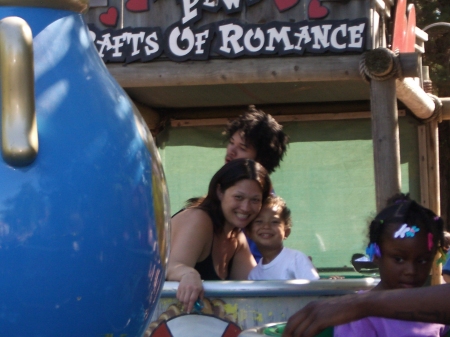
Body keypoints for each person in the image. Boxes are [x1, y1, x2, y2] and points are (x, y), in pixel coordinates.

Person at [283, 195, 450, 337]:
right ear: (376, 253)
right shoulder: (356, 317)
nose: (411, 271)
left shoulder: (435, 311)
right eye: (398, 259)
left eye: (422, 260)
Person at [166, 158, 272, 313]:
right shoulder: (198, 219)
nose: (246, 207)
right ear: (219, 191)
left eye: (255, 200)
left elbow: (254, 283)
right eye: (239, 197)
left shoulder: (237, 237)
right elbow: (168, 267)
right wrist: (188, 273)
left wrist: (288, 262)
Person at [246, 195, 319, 281]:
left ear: (286, 232)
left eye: (274, 222)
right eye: (259, 221)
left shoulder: (296, 259)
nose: (266, 226)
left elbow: (315, 289)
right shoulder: (254, 275)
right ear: (248, 232)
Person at [224, 105, 288, 175]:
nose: (232, 151)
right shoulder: (223, 183)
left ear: (261, 160)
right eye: (231, 142)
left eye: (242, 148)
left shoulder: (255, 185)